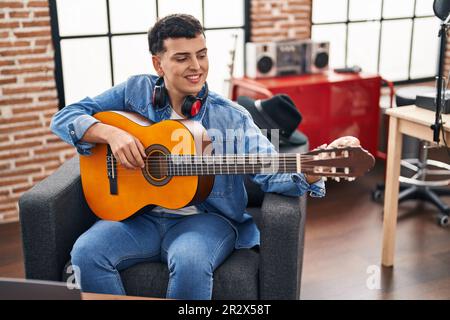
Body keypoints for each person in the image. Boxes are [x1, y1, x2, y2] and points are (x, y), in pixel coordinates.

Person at [50, 14, 359, 300]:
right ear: (158, 64)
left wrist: (313, 171)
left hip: (206, 221)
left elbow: (270, 171)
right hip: (136, 217)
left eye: (202, 54)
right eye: (182, 58)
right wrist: (111, 134)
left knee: (190, 260)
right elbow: (64, 117)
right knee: (86, 252)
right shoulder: (135, 92)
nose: (196, 66)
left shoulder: (232, 118)